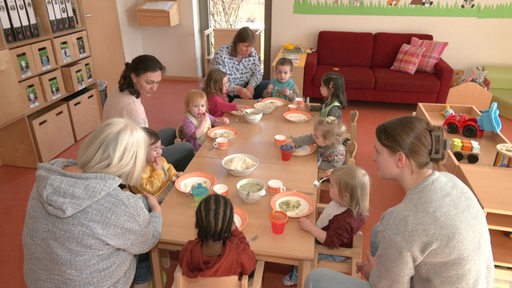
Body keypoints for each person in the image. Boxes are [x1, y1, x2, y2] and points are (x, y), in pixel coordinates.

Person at [306, 116, 494, 288]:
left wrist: (374, 275)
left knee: (316, 278)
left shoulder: (402, 220)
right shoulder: (451, 181)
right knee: (379, 231)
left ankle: (385, 271)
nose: (373, 157)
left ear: (400, 159)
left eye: (378, 152)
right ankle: (389, 268)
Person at [23, 118, 163, 288]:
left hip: (39, 281)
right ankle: (142, 282)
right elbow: (147, 240)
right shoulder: (119, 205)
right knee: (144, 216)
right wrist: (156, 213)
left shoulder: (47, 176)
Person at [102, 54, 194, 171]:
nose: (154, 88)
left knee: (171, 132)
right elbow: (143, 150)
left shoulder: (121, 89)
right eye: (149, 82)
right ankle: (169, 182)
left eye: (157, 82)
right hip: (128, 160)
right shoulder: (132, 107)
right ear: (134, 77)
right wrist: (157, 149)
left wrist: (157, 146)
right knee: (187, 148)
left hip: (123, 146)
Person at [283, 165, 370, 286]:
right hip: (328, 234)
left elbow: (330, 241)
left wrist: (311, 228)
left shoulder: (345, 221)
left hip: (333, 251)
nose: (329, 185)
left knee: (301, 250)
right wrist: (334, 176)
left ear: (345, 196)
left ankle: (296, 276)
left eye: (333, 185)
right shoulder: (347, 202)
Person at [178, 194, 256, 279]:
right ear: (229, 229)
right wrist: (236, 231)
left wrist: (204, 231)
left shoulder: (188, 252)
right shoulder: (238, 254)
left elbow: (182, 261)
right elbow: (250, 263)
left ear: (196, 225)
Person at [210, 26, 268, 102]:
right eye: (245, 46)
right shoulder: (222, 54)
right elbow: (217, 82)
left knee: (271, 86)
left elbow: (258, 73)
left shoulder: (252, 52)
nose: (248, 50)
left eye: (251, 46)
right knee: (219, 101)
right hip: (227, 92)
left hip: (246, 87)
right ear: (236, 43)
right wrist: (238, 90)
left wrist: (251, 85)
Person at [131, 127, 182, 203]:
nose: (159, 152)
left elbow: (168, 169)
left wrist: (175, 176)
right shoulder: (137, 170)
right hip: (155, 199)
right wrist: (158, 171)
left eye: (160, 147)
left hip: (167, 189)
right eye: (155, 150)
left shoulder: (158, 159)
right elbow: (149, 189)